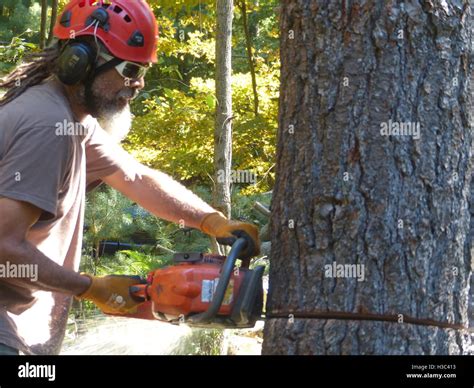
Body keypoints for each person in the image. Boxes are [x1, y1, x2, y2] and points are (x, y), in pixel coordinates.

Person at [0, 0, 259, 355]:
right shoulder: (47, 127)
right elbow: (3, 247)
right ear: (80, 60)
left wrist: (211, 221)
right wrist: (89, 287)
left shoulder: (72, 121)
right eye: (129, 69)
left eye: (142, 71)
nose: (137, 84)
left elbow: (136, 177)